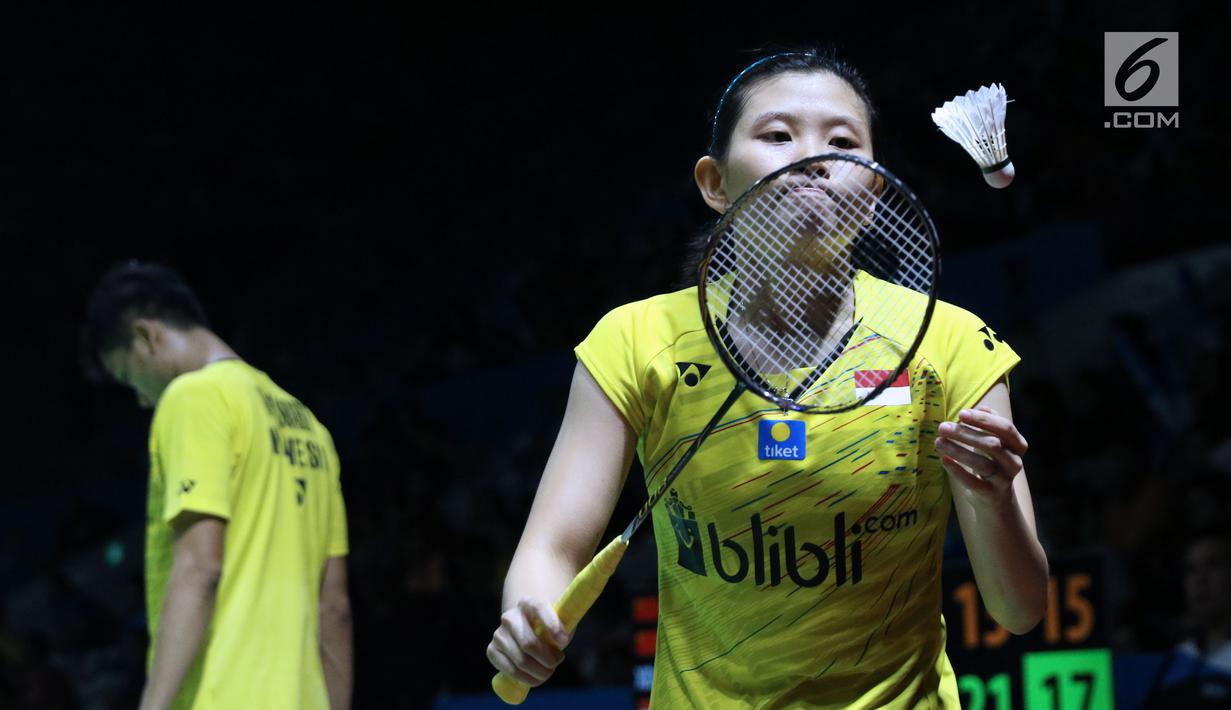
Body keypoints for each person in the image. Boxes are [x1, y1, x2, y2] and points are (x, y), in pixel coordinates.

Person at [487, 49, 1049, 708]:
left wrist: (990, 498)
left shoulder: (948, 343)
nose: (811, 157)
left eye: (841, 143)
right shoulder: (636, 342)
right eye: (777, 135)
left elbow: (1018, 610)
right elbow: (551, 546)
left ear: (871, 194)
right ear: (714, 182)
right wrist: (527, 616)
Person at [80, 262, 352, 710]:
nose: (142, 399)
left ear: (147, 336)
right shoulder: (309, 426)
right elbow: (334, 606)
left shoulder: (193, 398)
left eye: (130, 378)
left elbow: (200, 567)